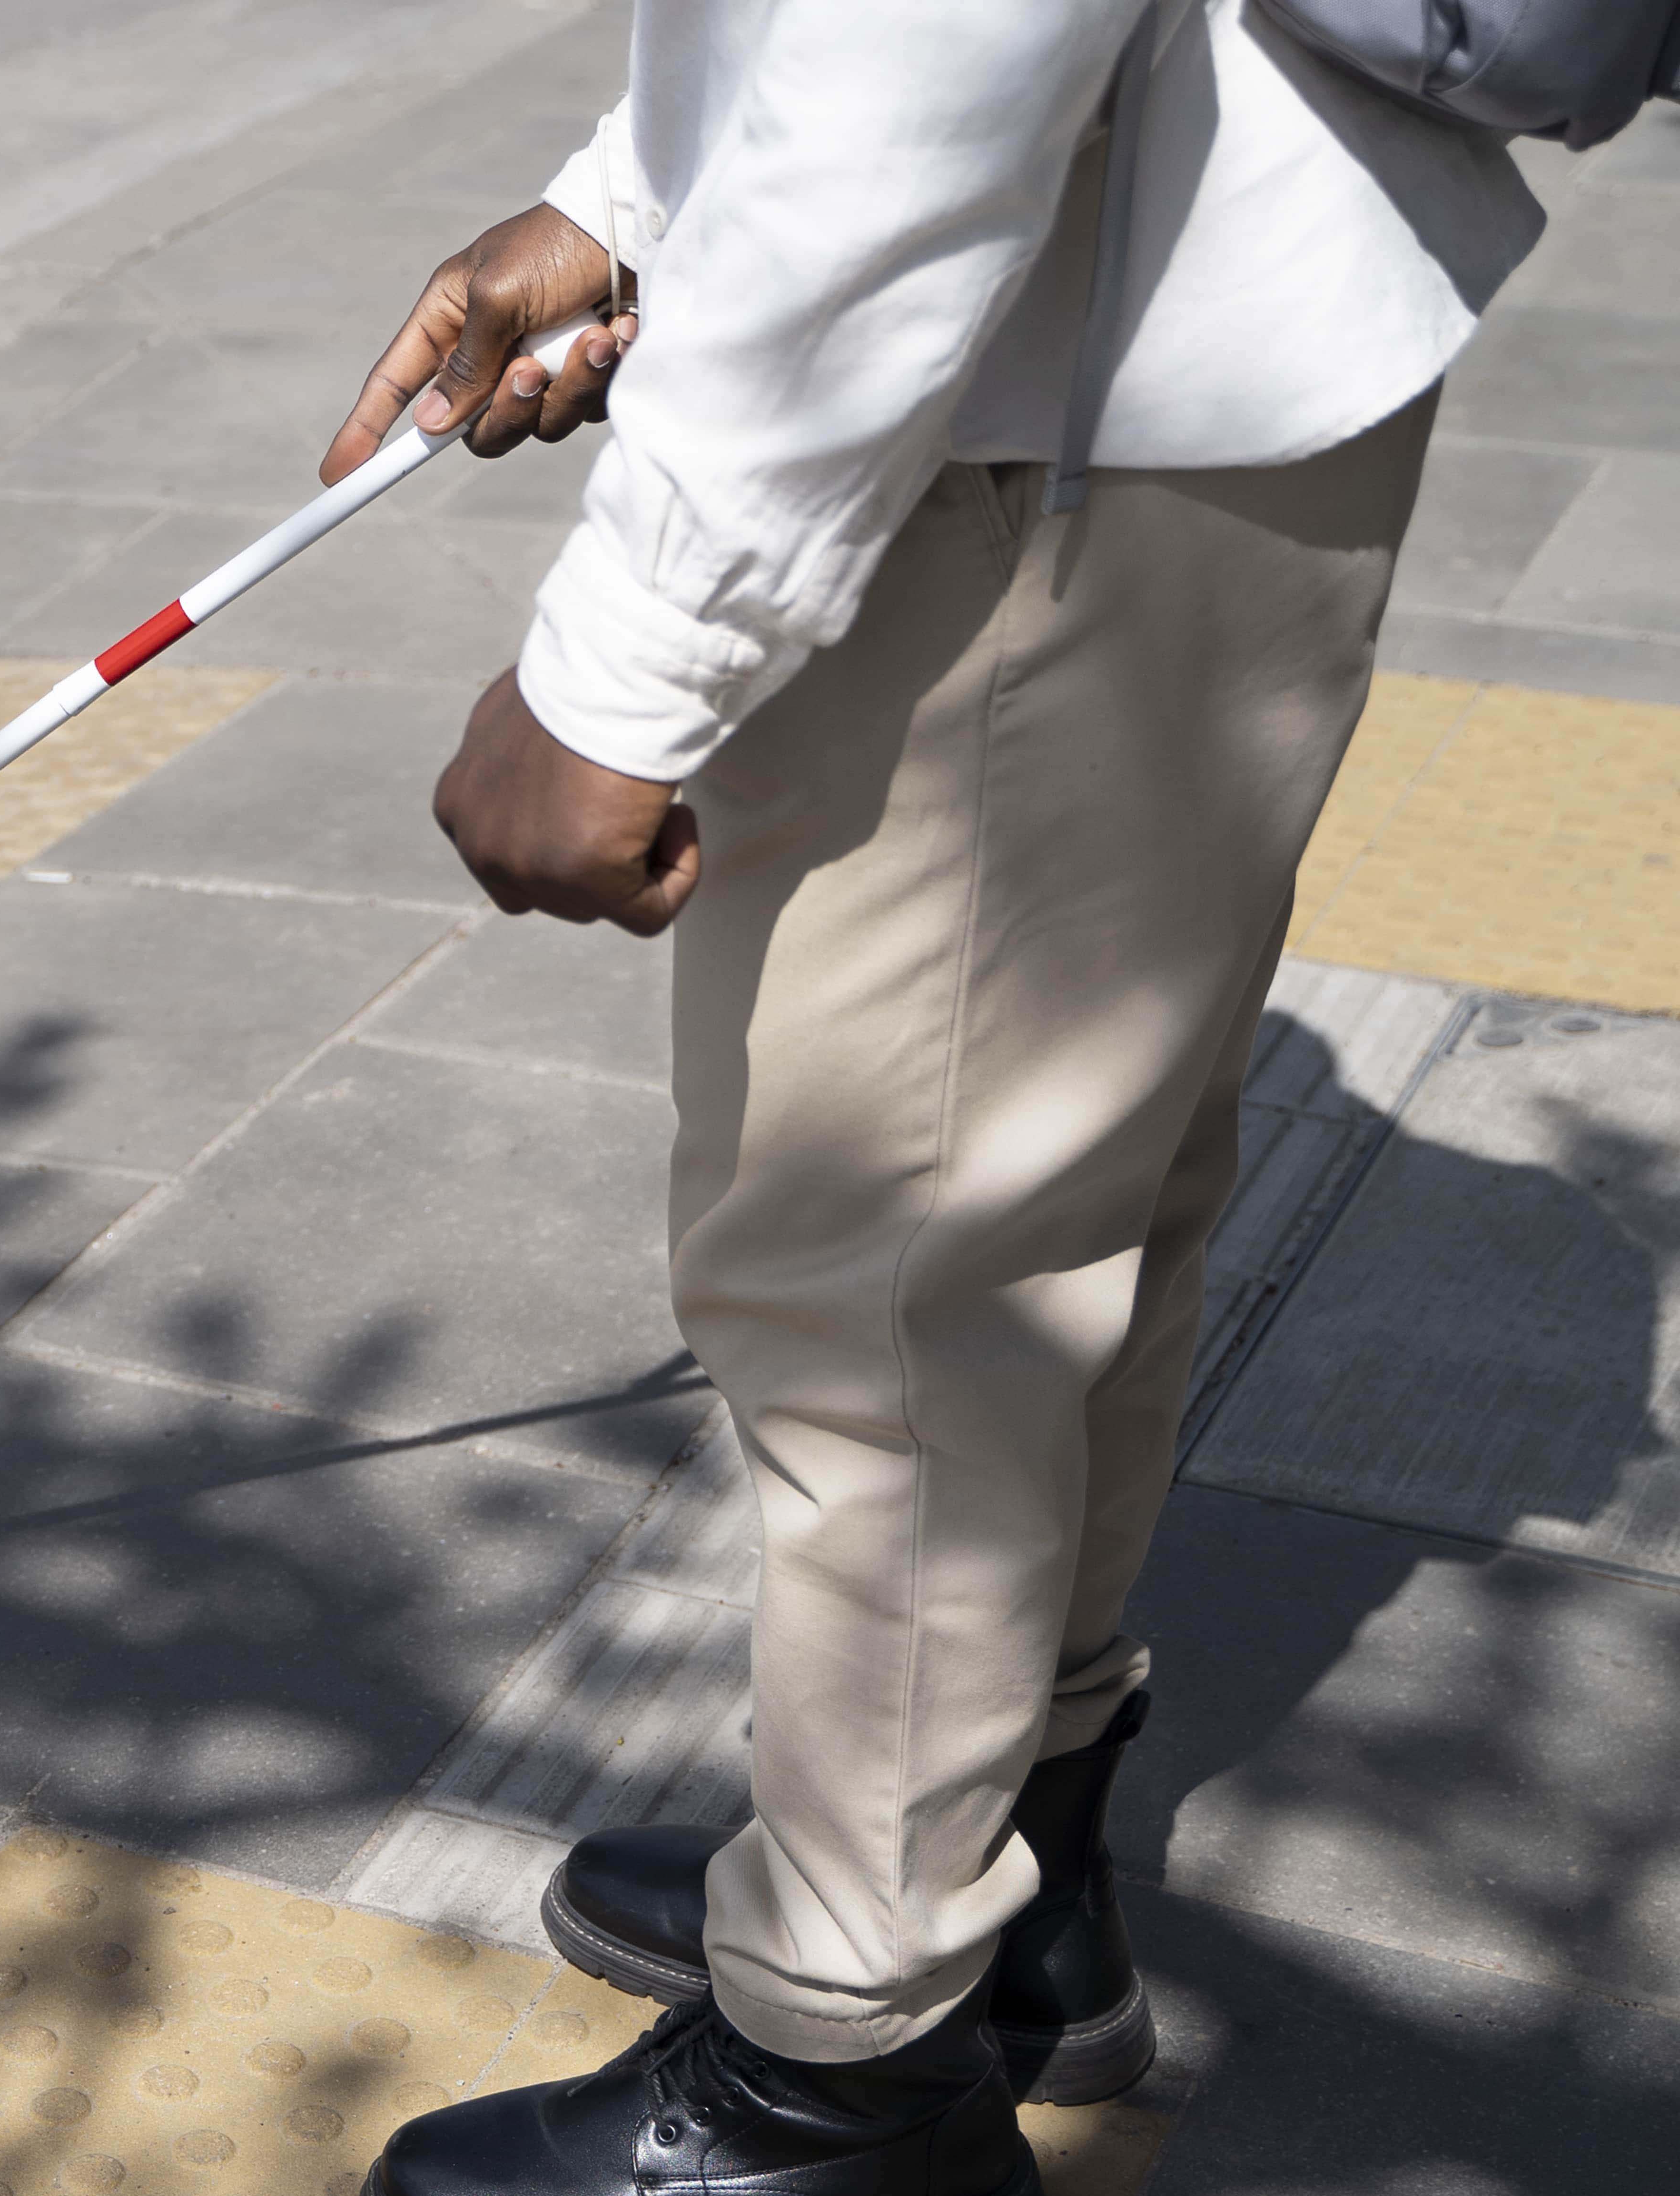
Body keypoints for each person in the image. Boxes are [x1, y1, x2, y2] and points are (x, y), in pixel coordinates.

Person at [326, 3, 1542, 2189]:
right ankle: (1003, 1883)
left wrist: (627, 657)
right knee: (1073, 1180)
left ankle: (840, 2065)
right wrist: (633, 203)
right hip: (1211, 343)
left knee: (882, 1259)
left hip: (1027, 402)